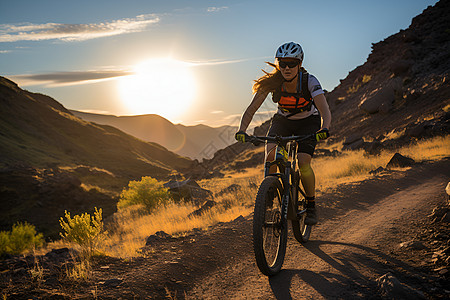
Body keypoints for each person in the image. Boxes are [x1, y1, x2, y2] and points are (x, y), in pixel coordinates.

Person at [235, 42, 331, 225]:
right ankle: (269, 194)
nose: (287, 68)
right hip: (283, 122)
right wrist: (242, 130)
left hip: (308, 122)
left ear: (300, 64)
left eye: (292, 63)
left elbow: (325, 110)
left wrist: (324, 128)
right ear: (278, 64)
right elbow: (251, 109)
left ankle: (311, 205)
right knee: (270, 155)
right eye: (282, 63)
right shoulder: (273, 82)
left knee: (303, 162)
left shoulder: (310, 81)